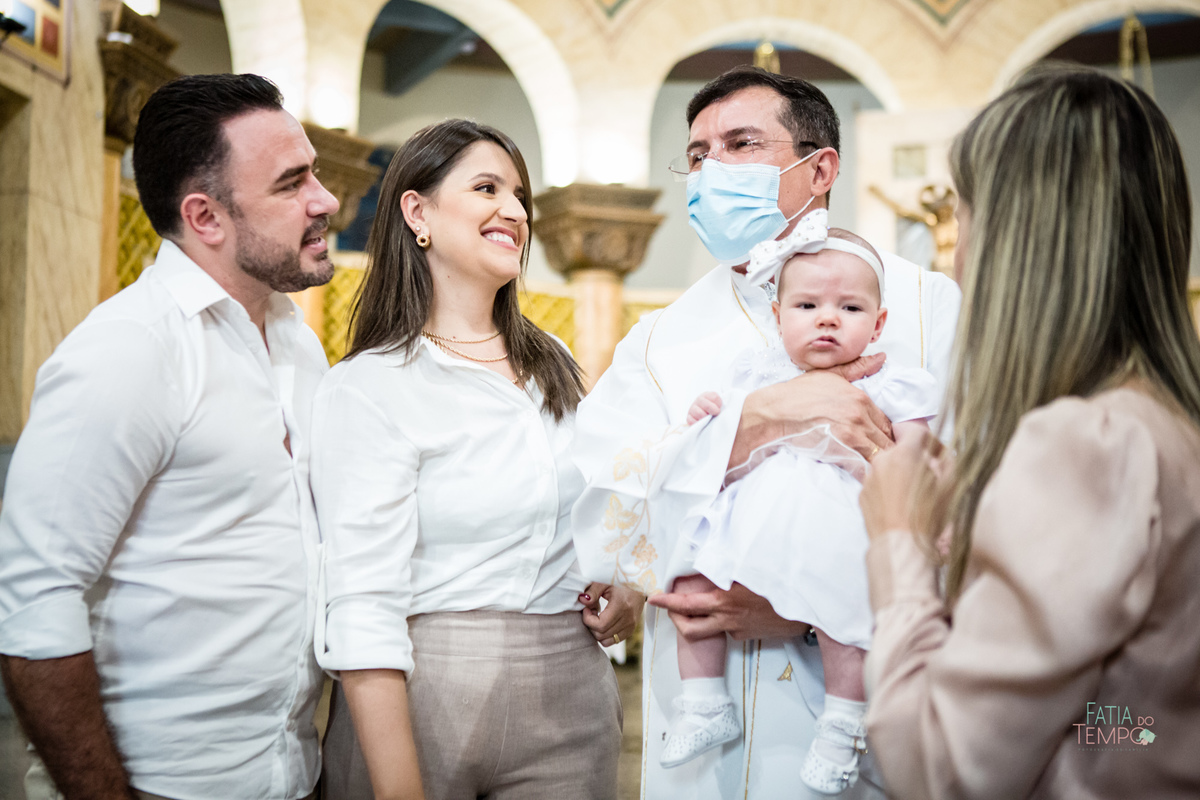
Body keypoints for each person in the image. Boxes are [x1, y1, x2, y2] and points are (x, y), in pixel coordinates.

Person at [569, 66, 960, 799]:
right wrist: (758, 422)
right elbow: (598, 509)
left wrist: (804, 609)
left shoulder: (924, 305)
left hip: (859, 721)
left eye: (741, 143)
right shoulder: (660, 339)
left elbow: (981, 507)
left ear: (820, 169)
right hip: (697, 748)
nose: (711, 168)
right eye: (696, 154)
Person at [859, 66, 1200, 799]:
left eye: (963, 218)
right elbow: (1142, 717)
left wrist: (899, 541)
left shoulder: (1086, 444)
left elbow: (945, 766)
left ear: (1018, 243)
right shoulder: (1171, 424)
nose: (955, 254)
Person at [0, 73, 338, 800]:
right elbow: (34, 602)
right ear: (205, 217)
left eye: (315, 172)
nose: (327, 201)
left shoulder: (300, 346)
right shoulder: (127, 351)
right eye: (292, 183)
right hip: (163, 784)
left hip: (291, 773)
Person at [311, 119, 642, 800]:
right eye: (488, 187)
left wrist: (628, 580)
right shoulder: (372, 385)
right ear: (417, 211)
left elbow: (603, 503)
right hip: (423, 688)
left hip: (570, 689)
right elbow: (362, 602)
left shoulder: (553, 362)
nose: (515, 211)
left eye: (521, 195)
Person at [662, 220, 939, 796]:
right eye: (808, 304)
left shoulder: (893, 382)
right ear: (779, 315)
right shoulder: (756, 375)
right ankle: (703, 702)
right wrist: (709, 415)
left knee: (842, 615)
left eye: (850, 307)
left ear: (879, 323)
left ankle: (843, 723)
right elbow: (716, 441)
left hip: (840, 518)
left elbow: (915, 462)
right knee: (689, 577)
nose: (828, 317)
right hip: (754, 516)